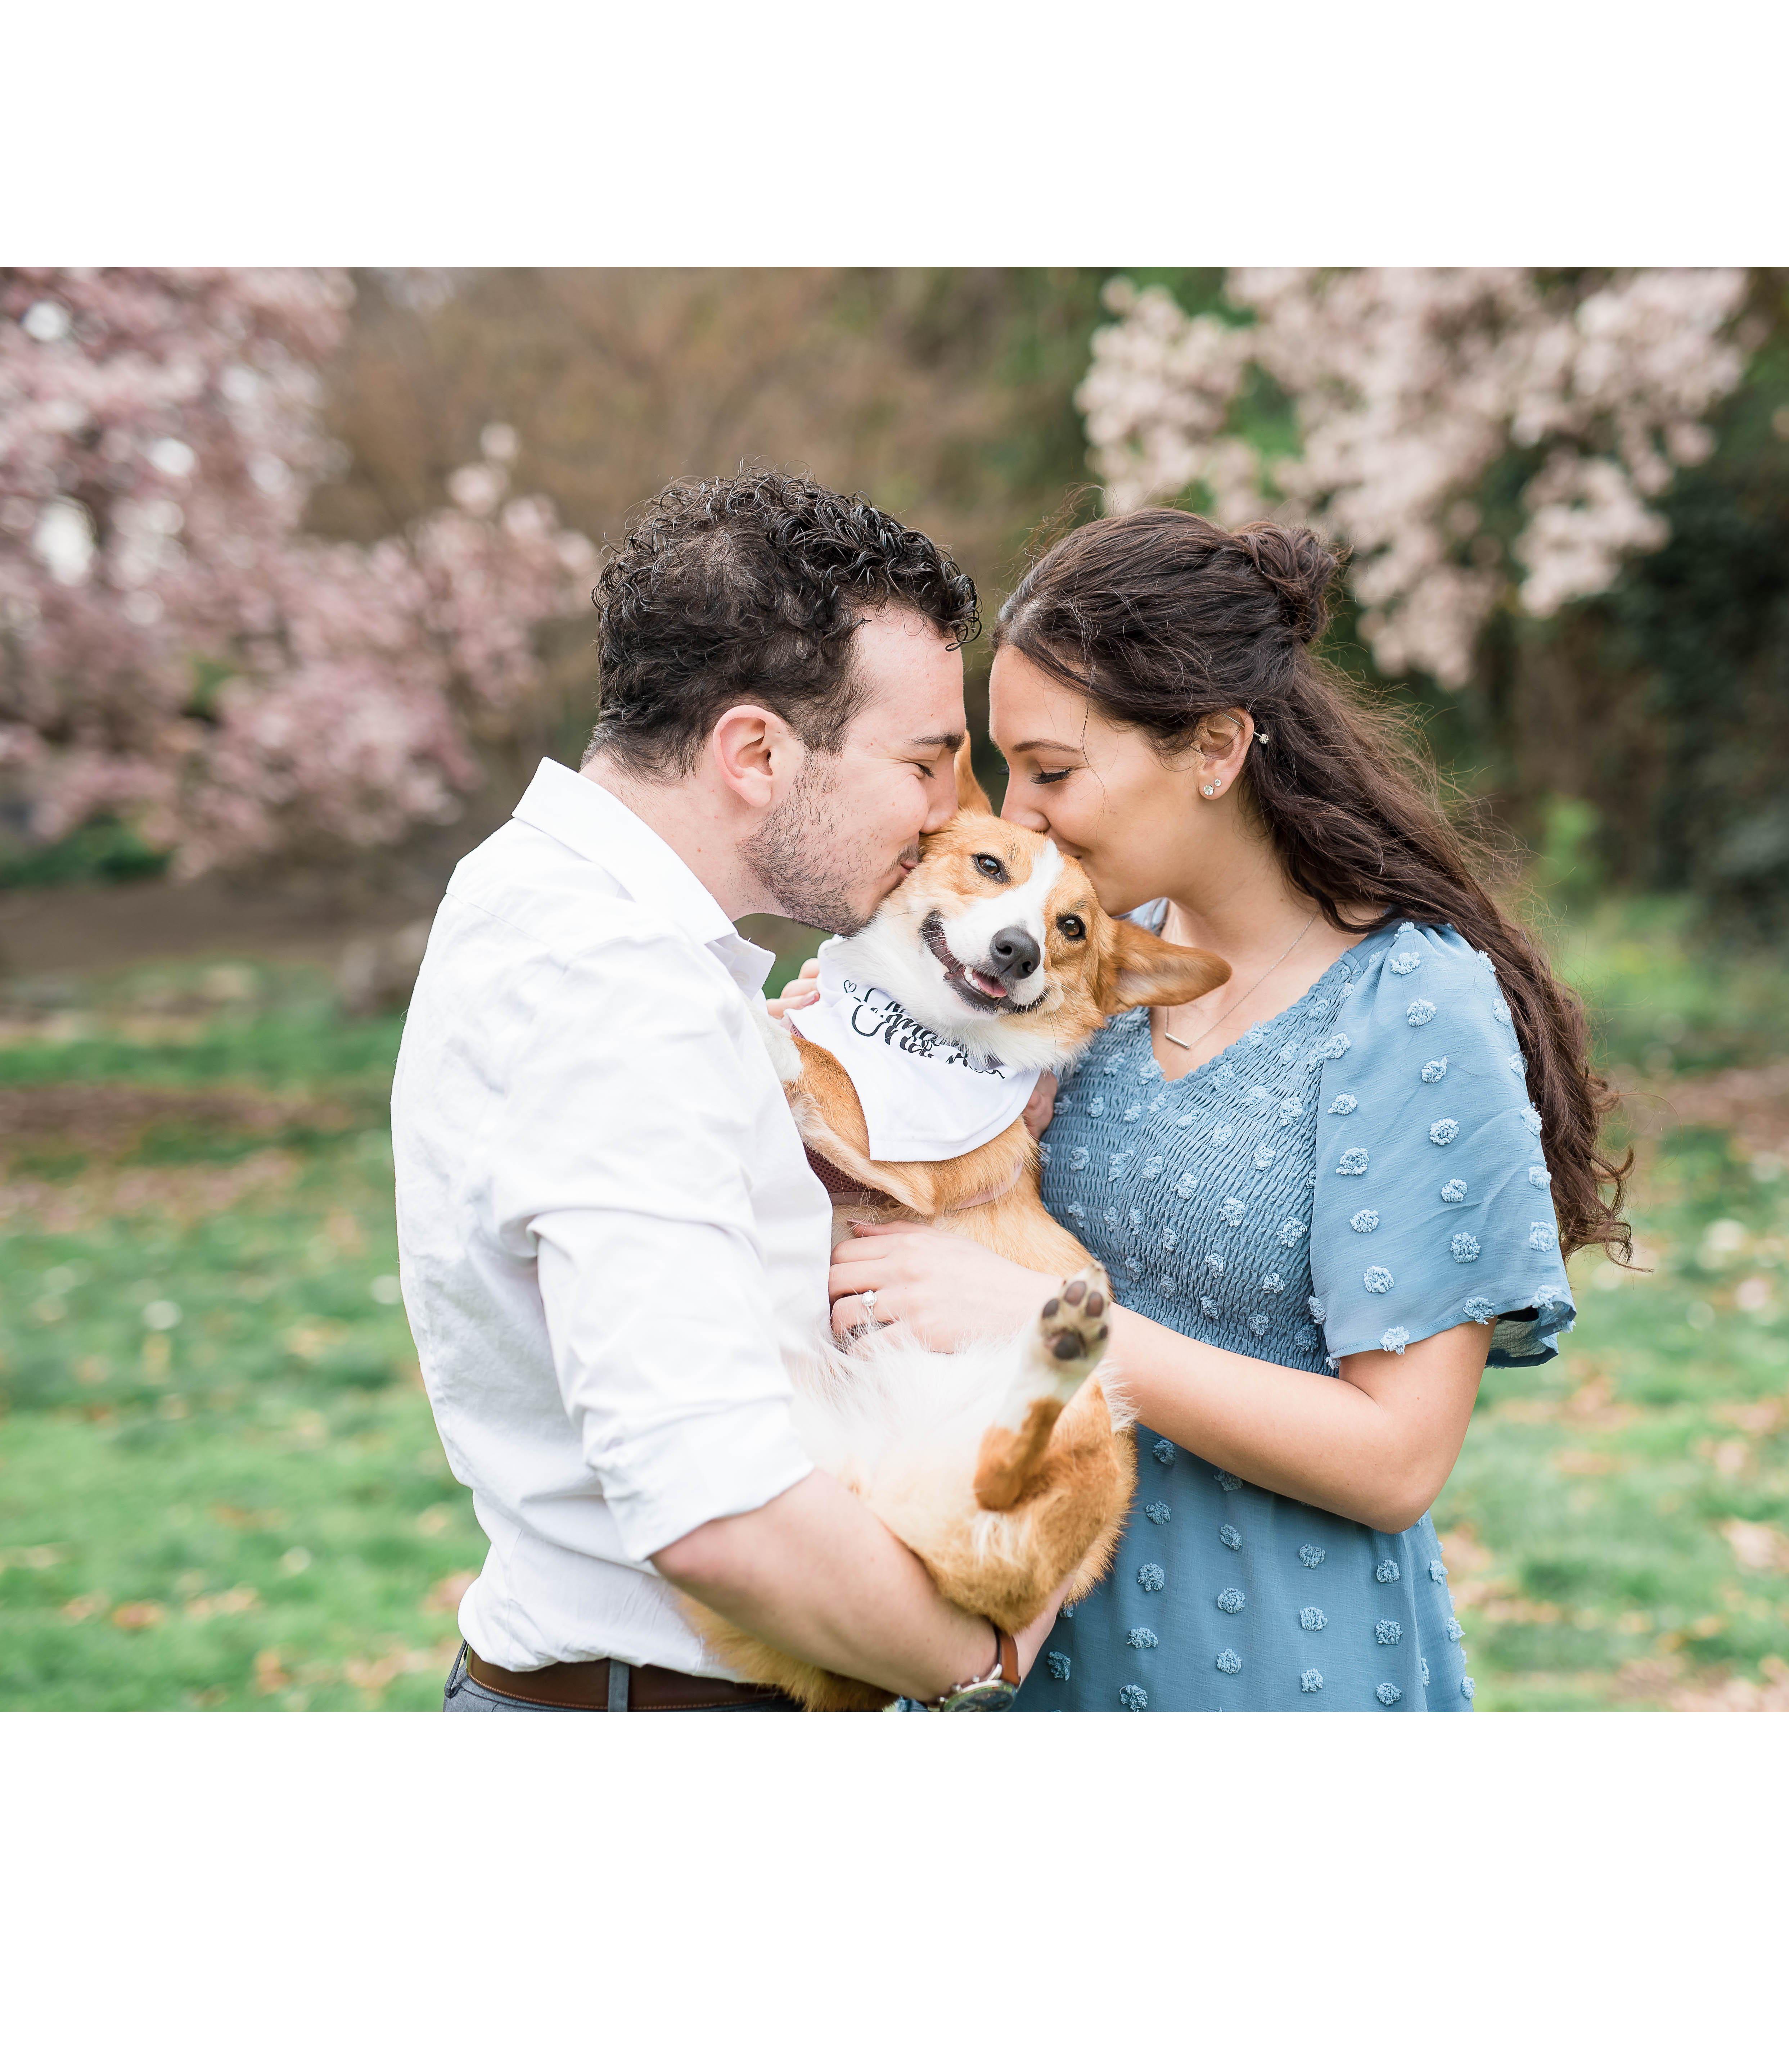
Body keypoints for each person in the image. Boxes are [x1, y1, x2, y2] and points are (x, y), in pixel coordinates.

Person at [826, 506, 1631, 1711]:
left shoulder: (1407, 1003)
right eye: (1006, 769)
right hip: (1012, 1645)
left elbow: (1399, 1458)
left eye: (1052, 771)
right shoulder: (1084, 961)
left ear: (1214, 747)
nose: (1019, 812)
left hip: (1272, 1663)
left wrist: (1056, 1322)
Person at [393, 469, 1063, 1712]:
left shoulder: (544, 902)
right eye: (923, 763)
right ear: (755, 751)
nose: (945, 814)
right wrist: (975, 1662)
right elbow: (715, 1509)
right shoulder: (618, 990)